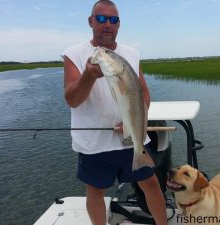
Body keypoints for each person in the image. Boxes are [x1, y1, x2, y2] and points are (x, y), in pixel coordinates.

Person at [63, 1, 168, 225]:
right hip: (94, 141)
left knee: (150, 183)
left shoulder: (131, 54)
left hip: (131, 138)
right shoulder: (74, 54)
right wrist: (89, 76)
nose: (107, 24)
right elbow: (72, 100)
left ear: (119, 24)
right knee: (95, 191)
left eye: (113, 19)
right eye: (101, 18)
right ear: (90, 21)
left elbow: (144, 95)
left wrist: (132, 123)